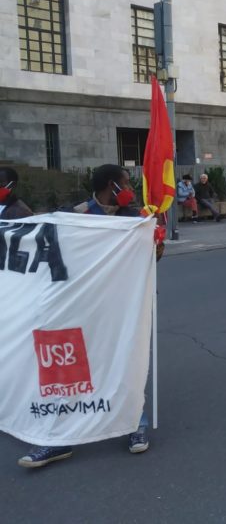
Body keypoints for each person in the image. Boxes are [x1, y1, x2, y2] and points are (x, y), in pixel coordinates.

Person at [18, 164, 149, 468]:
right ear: (112, 185)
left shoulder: (135, 218)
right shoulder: (75, 215)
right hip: (79, 306)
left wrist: (155, 243)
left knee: (126, 362)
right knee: (69, 372)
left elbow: (150, 260)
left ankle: (134, 423)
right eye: (127, 183)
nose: (131, 189)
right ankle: (58, 439)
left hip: (121, 305)